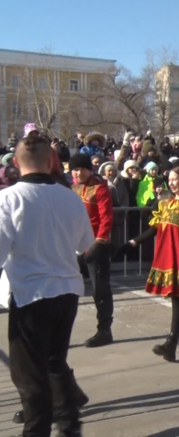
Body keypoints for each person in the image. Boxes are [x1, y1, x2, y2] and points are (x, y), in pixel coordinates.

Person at [0, 136, 93, 437]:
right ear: (52, 162)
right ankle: (69, 426)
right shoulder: (70, 197)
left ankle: (38, 431)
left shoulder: (8, 199)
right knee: (54, 363)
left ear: (16, 164)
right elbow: (85, 244)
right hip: (66, 291)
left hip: (31, 295)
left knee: (30, 376)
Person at [123, 166, 179, 362]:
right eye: (169, 179)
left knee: (177, 295)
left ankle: (171, 343)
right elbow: (154, 229)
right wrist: (134, 242)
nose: (171, 182)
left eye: (175, 179)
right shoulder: (165, 204)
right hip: (167, 255)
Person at [69, 153, 115, 348]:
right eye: (75, 169)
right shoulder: (71, 186)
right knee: (66, 288)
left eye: (81, 169)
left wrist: (99, 241)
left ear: (89, 169)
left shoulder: (99, 187)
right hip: (73, 244)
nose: (78, 173)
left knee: (100, 288)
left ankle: (104, 329)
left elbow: (106, 218)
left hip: (95, 244)